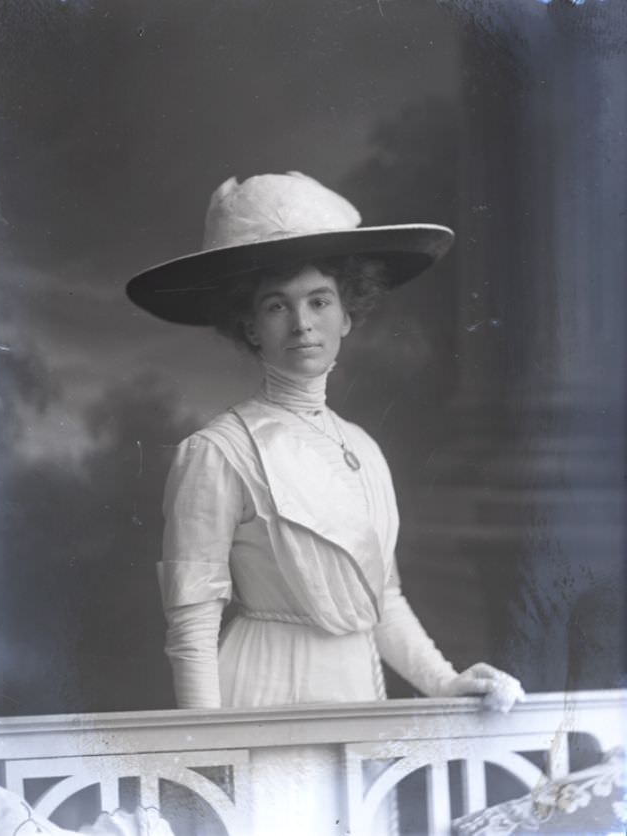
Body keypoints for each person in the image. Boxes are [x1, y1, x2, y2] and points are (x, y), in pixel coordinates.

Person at [127, 171, 524, 713]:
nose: (301, 325)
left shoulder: (364, 448)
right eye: (276, 306)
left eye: (319, 301)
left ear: (347, 315)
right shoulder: (217, 452)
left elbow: (381, 600)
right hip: (258, 703)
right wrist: (210, 753)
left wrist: (444, 682)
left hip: (358, 698)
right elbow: (192, 627)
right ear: (248, 326)